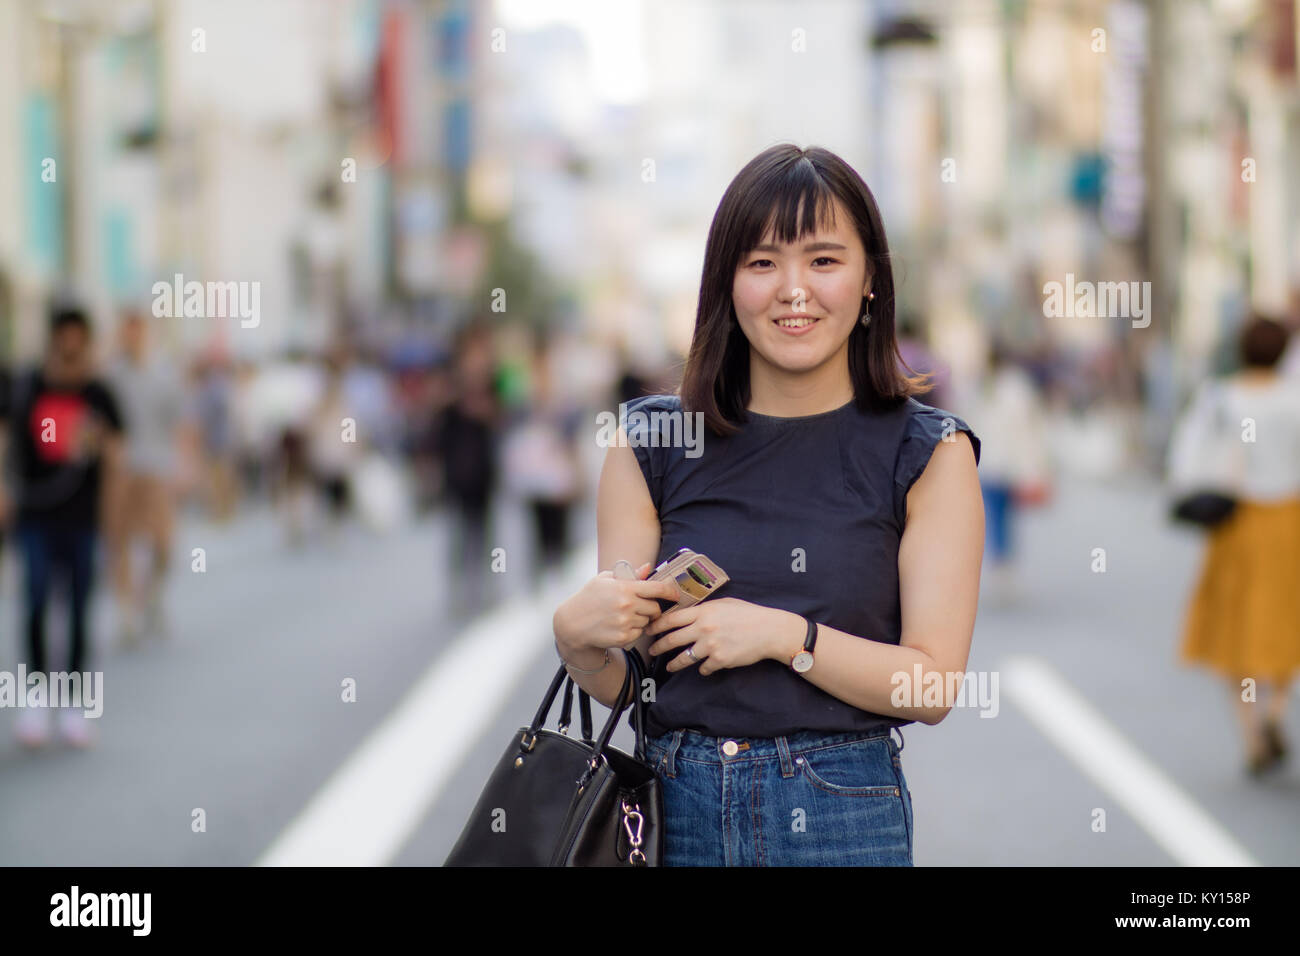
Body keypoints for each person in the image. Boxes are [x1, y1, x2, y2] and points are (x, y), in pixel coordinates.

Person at [552, 144, 984, 866]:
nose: (793, 290)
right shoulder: (651, 440)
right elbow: (631, 680)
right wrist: (577, 639)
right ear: (726, 282)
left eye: (823, 260)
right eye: (761, 263)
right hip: (670, 808)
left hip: (841, 809)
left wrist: (788, 637)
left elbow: (931, 684)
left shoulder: (928, 452)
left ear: (871, 279)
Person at [1175, 314, 1300, 776]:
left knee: (1235, 630)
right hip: (1289, 519)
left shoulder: (1221, 397)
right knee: (1287, 623)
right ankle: (1275, 712)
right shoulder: (1294, 399)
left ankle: (1251, 734)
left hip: (1238, 522)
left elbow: (1189, 455)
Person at [2, 305, 124, 749]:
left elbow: (114, 455)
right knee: (34, 603)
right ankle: (35, 700)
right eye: (64, 335)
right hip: (35, 514)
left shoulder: (98, 391)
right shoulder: (28, 385)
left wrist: (113, 516)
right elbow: (7, 436)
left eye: (78, 336)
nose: (70, 343)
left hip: (82, 517)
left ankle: (74, 705)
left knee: (77, 609)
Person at [104, 309, 188, 646]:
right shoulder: (111, 376)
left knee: (165, 544)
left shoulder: (164, 374)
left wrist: (183, 465)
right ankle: (126, 614)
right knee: (119, 542)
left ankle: (152, 596)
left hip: (157, 467)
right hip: (121, 470)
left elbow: (180, 422)